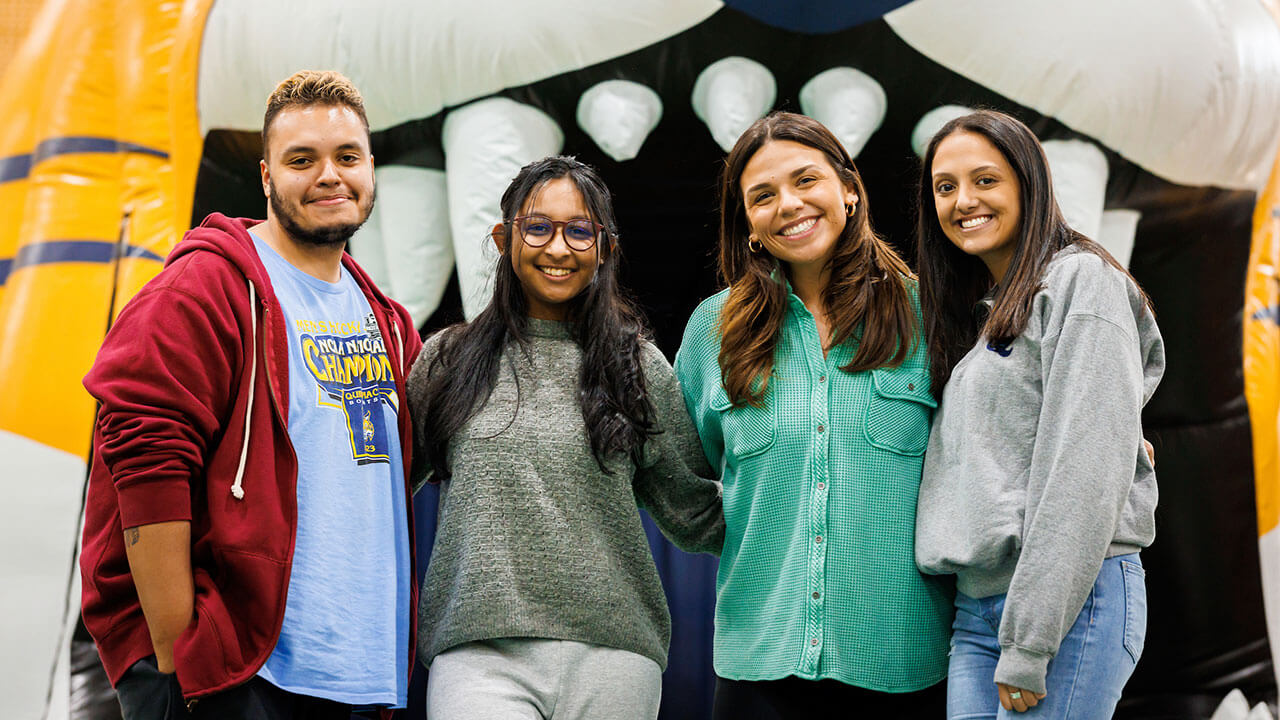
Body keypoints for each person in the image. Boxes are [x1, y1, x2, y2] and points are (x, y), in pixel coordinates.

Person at [80, 70, 421, 719]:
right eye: (303, 159)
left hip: (352, 675)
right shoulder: (205, 287)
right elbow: (143, 449)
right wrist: (182, 657)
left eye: (347, 157)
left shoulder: (388, 321)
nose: (329, 175)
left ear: (371, 168)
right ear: (266, 177)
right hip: (229, 672)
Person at [408, 155, 724, 720]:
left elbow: (697, 513)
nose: (558, 248)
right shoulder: (447, 360)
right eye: (538, 227)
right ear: (505, 238)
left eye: (579, 230)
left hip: (615, 656)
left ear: (604, 247)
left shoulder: (639, 367)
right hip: (477, 656)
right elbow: (379, 491)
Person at [674, 111, 952, 719]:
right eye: (763, 196)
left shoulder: (929, 312)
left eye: (806, 181)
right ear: (747, 221)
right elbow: (676, 475)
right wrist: (758, 533)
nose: (789, 205)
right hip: (758, 667)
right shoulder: (711, 330)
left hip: (902, 663)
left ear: (848, 190)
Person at [913, 109, 1164, 719]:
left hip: (1071, 605)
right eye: (945, 187)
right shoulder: (976, 315)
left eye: (985, 180)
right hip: (979, 612)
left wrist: (1030, 641)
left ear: (1030, 184)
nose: (963, 200)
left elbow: (1083, 471)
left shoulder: (1082, 281)